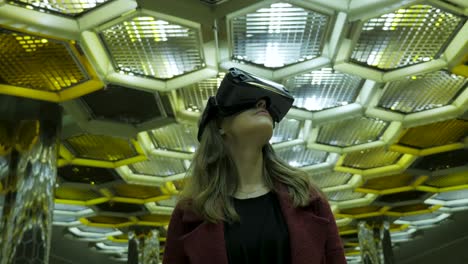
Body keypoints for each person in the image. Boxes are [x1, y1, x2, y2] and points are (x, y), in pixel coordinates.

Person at [163, 68, 346, 264]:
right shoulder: (190, 212)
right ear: (218, 126)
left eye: (266, 102)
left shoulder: (307, 196)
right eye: (246, 97)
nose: (262, 103)